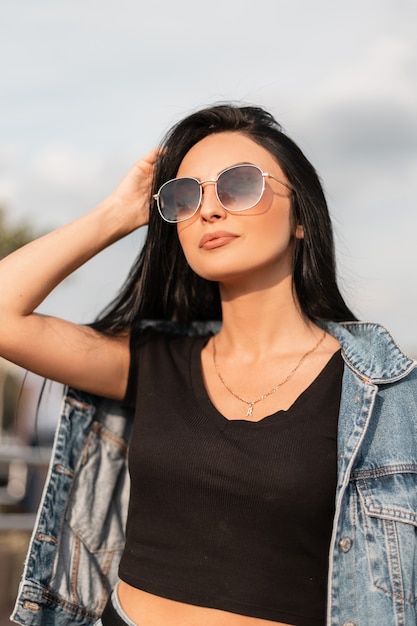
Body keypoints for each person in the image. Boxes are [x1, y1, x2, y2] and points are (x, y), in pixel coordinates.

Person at [1, 104, 417, 626]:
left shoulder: (385, 396)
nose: (209, 210)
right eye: (185, 195)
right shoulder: (154, 362)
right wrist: (119, 213)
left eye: (238, 186)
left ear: (303, 219)